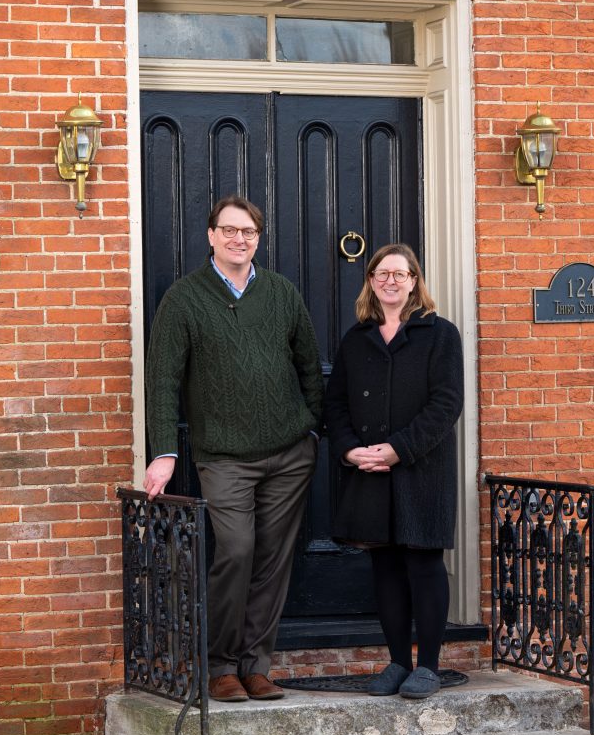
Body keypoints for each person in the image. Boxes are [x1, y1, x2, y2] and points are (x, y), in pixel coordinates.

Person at [143, 195, 323, 703]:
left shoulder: (282, 294)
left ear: (258, 239)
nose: (238, 239)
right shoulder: (185, 298)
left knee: (272, 561)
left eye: (247, 231)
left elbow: (309, 364)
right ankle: (221, 665)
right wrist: (164, 451)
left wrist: (311, 424)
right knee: (237, 551)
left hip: (289, 454)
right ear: (210, 235)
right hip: (224, 457)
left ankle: (255, 666)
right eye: (228, 230)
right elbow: (163, 381)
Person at [324, 243, 463, 700]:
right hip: (369, 472)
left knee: (423, 563)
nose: (390, 281)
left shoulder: (440, 335)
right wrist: (350, 452)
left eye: (399, 275)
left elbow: (446, 404)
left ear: (414, 282)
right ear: (370, 281)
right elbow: (336, 404)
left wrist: (397, 450)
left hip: (421, 469)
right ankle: (398, 661)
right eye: (381, 274)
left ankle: (429, 666)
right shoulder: (355, 339)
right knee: (384, 565)